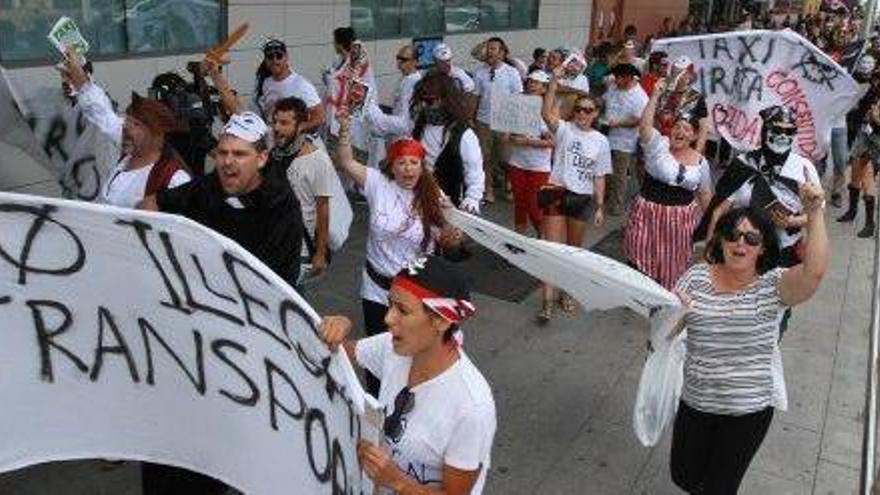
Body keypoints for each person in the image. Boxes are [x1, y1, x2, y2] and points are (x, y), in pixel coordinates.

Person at [670, 192, 828, 493]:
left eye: (751, 238)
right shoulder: (695, 278)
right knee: (684, 476)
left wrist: (814, 213)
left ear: (763, 247)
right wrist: (672, 312)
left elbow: (814, 272)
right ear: (721, 240)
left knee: (720, 486)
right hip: (696, 402)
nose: (740, 243)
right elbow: (666, 332)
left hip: (747, 412)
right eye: (732, 234)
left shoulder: (772, 286)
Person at [319, 255, 496, 494]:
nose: (388, 318)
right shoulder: (393, 347)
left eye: (402, 310)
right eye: (390, 304)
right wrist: (336, 328)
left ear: (441, 321)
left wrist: (397, 481)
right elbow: (339, 353)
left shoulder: (472, 407)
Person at [335, 106, 460, 395]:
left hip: (415, 292)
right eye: (402, 163)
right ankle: (377, 405)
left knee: (409, 352)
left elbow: (451, 242)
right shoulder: (377, 184)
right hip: (376, 287)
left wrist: (452, 235)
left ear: (421, 165)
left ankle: (407, 400)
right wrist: (344, 128)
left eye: (414, 163)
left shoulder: (434, 196)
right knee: (378, 351)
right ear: (392, 166)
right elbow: (345, 161)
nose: (408, 169)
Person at [141, 112, 304, 287]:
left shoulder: (281, 205)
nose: (227, 161)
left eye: (239, 154)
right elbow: (150, 204)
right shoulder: (207, 186)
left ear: (261, 158)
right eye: (222, 153)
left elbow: (269, 282)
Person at [59, 51, 191, 208]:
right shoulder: (129, 149)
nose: (126, 128)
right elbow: (102, 113)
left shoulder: (174, 179)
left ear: (156, 134)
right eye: (127, 121)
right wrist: (81, 80)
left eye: (136, 124)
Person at [698, 106, 822, 268]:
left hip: (786, 253)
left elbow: (817, 213)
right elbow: (718, 212)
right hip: (744, 251)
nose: (783, 136)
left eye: (790, 131)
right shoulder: (744, 164)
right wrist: (709, 256)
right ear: (765, 130)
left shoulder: (804, 168)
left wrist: (792, 221)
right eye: (777, 129)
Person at [537, 66, 611, 323]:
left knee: (573, 251)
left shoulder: (601, 141)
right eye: (579, 109)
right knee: (552, 250)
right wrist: (554, 82)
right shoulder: (565, 129)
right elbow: (546, 113)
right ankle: (547, 300)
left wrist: (600, 205)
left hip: (582, 198)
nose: (582, 114)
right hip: (556, 192)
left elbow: (599, 175)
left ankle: (566, 292)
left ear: (596, 114)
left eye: (588, 110)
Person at [625, 77, 712, 290]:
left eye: (687, 129)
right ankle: (642, 294)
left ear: (693, 136)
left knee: (673, 265)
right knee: (640, 256)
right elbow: (645, 126)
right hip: (648, 213)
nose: (680, 131)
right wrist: (654, 95)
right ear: (670, 129)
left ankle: (665, 299)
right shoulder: (658, 144)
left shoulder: (701, 162)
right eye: (677, 126)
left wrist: (712, 227)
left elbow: (705, 195)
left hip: (680, 221)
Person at [271, 96, 351, 277]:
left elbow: (323, 208)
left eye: (284, 123)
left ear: (300, 126)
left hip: (299, 248)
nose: (276, 128)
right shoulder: (272, 149)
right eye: (275, 121)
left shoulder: (318, 160)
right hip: (271, 241)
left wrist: (320, 253)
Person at [473, 36, 524, 204]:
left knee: (506, 158)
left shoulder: (512, 72)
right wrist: (472, 120)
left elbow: (517, 100)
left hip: (504, 123)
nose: (489, 51)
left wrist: (512, 126)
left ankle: (509, 184)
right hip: (483, 121)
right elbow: (476, 98)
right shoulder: (480, 72)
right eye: (488, 48)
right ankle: (488, 189)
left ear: (502, 53)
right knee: (485, 158)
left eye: (494, 48)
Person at [504, 70, 554, 236]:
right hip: (517, 162)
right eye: (530, 81)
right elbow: (506, 136)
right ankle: (519, 240)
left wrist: (527, 141)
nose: (531, 85)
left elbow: (553, 142)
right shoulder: (518, 105)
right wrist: (510, 135)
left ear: (544, 88)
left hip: (539, 166)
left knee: (534, 205)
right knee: (520, 203)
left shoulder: (549, 112)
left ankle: (544, 238)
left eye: (536, 83)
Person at [602, 63, 649, 215]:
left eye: (619, 78)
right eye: (615, 77)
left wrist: (619, 123)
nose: (615, 80)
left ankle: (616, 205)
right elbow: (605, 101)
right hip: (606, 135)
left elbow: (639, 120)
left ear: (629, 78)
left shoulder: (639, 97)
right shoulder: (613, 87)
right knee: (604, 170)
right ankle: (604, 196)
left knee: (619, 174)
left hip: (624, 140)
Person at [255, 39, 325, 134]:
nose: (275, 60)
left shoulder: (301, 85)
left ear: (286, 57)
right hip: (273, 138)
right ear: (265, 60)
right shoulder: (266, 82)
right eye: (270, 57)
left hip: (295, 142)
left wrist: (296, 129)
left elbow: (319, 117)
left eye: (279, 56)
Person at [838, 97, 880, 238]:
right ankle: (852, 211)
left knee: (868, 178)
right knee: (855, 174)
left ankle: (869, 224)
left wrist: (876, 117)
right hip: (865, 133)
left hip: (877, 140)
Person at [654, 57, 710, 154]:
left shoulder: (696, 97)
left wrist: (696, 152)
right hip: (662, 148)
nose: (678, 76)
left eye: (682, 73)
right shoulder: (663, 93)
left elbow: (703, 128)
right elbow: (654, 119)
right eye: (675, 72)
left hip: (685, 149)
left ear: (689, 74)